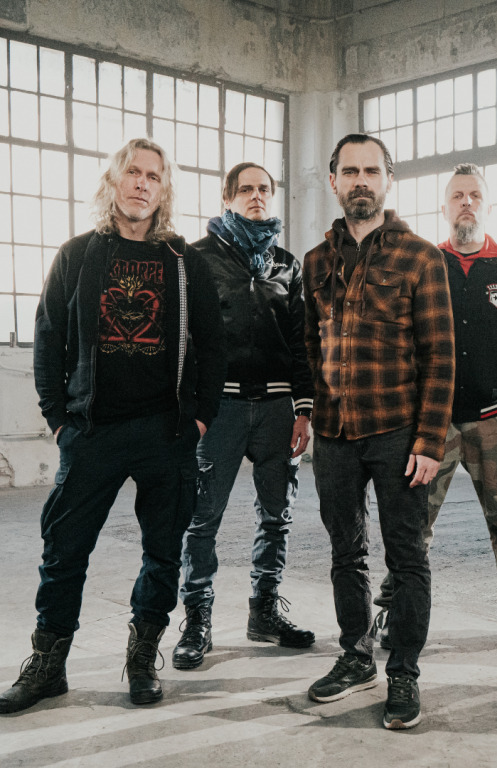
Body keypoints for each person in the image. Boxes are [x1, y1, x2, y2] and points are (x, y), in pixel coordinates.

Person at [0, 138, 226, 714]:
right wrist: (58, 420)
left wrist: (199, 418)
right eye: (133, 172)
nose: (142, 183)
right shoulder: (78, 255)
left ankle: (141, 655)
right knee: (63, 549)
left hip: (166, 433)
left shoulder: (183, 262)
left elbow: (213, 343)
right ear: (114, 181)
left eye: (154, 175)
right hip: (92, 432)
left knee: (163, 551)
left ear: (163, 189)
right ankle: (49, 665)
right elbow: (48, 337)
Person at [303, 134, 454, 730]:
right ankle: (356, 654)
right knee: (346, 553)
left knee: (407, 556)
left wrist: (429, 442)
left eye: (371, 170)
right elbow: (309, 350)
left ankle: (405, 671)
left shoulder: (420, 257)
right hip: (335, 433)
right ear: (334, 181)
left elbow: (440, 358)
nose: (360, 180)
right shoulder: (316, 262)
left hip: (397, 434)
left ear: (387, 179)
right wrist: (308, 414)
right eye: (349, 171)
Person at [374, 163, 497, 653]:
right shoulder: (424, 264)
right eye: (457, 196)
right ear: (444, 207)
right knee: (412, 523)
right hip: (432, 423)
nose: (466, 203)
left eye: (474, 195)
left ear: (488, 205)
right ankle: (396, 611)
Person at [172, 163, 315, 670]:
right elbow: (183, 339)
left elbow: (301, 342)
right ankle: (197, 621)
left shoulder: (285, 264)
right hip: (221, 409)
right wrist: (192, 410)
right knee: (202, 519)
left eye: (264, 189)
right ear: (228, 197)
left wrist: (303, 408)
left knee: (277, 517)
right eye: (246, 189)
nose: (257, 196)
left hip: (278, 409)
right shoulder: (197, 258)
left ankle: (264, 613)